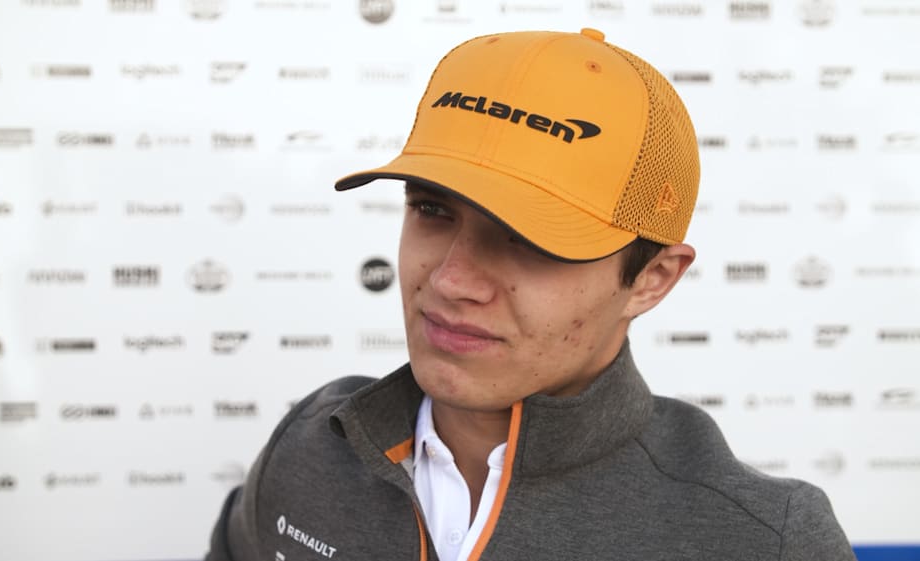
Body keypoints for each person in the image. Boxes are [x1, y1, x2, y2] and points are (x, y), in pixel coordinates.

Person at [206, 28, 855, 561]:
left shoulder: (760, 540)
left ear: (652, 278)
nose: (451, 280)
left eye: (529, 239)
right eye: (432, 209)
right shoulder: (314, 446)